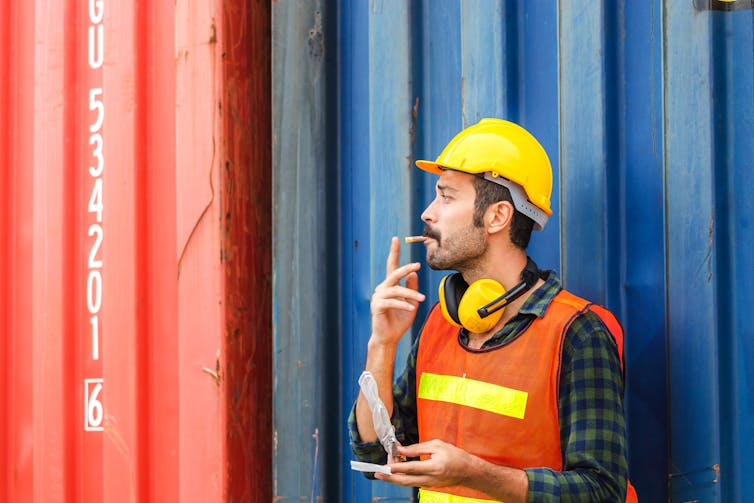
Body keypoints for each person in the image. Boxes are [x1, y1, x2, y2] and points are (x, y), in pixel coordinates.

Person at [348, 118, 637, 502]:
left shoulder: (577, 333)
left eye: (446, 197)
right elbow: (375, 454)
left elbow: (602, 492)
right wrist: (381, 345)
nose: (427, 213)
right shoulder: (440, 323)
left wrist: (475, 474)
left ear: (497, 216)